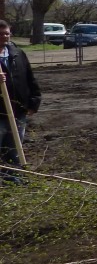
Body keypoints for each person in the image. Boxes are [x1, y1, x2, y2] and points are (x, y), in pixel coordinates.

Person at [0, 20, 41, 184]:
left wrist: (34, 102)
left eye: (6, 33)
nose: (4, 37)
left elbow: (30, 78)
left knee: (15, 147)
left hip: (18, 111)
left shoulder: (17, 53)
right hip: (0, 112)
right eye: (1, 34)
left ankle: (13, 178)